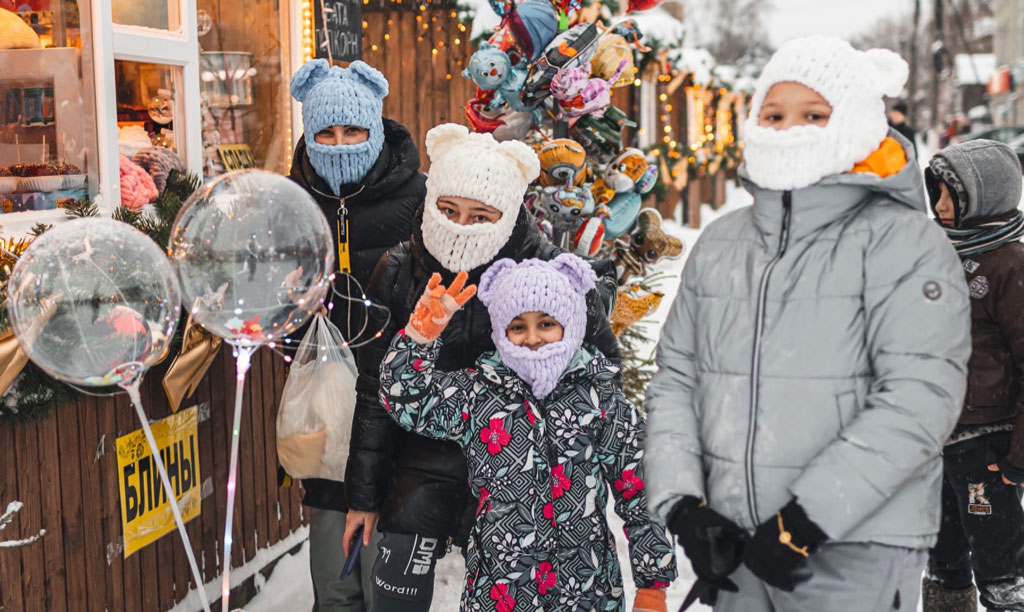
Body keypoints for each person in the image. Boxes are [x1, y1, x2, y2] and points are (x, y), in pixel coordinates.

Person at [644, 35, 972, 612]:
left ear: (856, 121)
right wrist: (683, 506)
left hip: (857, 547)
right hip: (736, 546)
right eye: (774, 113)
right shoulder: (722, 243)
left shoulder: (905, 242)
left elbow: (920, 396)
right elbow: (677, 379)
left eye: (813, 114)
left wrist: (804, 521)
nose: (789, 128)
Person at [343, 123, 621, 612]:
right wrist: (363, 495)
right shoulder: (398, 267)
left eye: (480, 215)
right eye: (448, 210)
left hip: (515, 467)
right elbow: (375, 387)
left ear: (508, 213)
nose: (461, 226)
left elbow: (601, 372)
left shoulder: (549, 275)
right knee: (394, 589)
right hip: (422, 460)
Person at [377, 255, 677, 611]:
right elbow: (405, 399)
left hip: (587, 591)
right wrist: (419, 338)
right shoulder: (480, 393)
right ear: (501, 333)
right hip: (499, 590)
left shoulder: (601, 400)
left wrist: (652, 585)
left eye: (546, 323)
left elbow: (643, 490)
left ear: (571, 322)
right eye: (517, 327)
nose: (532, 338)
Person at [287, 57, 425, 612]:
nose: (339, 144)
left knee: (388, 584)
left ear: (375, 126)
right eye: (326, 132)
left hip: (400, 413)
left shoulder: (418, 197)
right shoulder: (293, 202)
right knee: (334, 578)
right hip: (324, 413)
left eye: (353, 131)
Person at [921, 140, 1024, 612]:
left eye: (950, 196)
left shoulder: (1009, 265)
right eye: (936, 194)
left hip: (988, 446)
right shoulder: (935, 256)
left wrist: (1017, 458)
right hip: (937, 440)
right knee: (943, 559)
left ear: (981, 199)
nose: (939, 207)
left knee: (1000, 566)